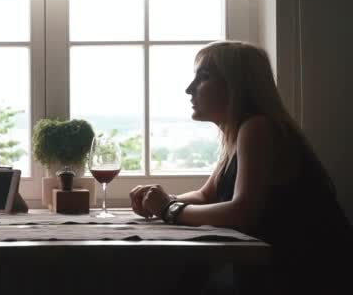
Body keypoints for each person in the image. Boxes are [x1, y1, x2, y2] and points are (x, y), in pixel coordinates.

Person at [130, 41, 353, 294]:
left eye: (203, 77)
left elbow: (242, 213)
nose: (189, 89)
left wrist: (169, 208)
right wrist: (158, 199)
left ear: (236, 85)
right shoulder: (239, 134)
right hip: (279, 270)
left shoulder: (259, 127)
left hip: (306, 276)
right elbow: (206, 195)